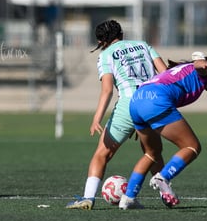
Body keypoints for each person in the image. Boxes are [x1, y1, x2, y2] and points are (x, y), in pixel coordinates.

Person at [66, 19, 168, 210]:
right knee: (152, 153)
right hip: (152, 101)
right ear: (121, 34)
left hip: (129, 104)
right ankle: (166, 194)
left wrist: (97, 118)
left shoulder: (105, 55)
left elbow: (107, 90)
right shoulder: (143, 45)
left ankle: (88, 198)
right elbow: (164, 74)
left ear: (101, 42)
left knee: (102, 154)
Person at [119, 52, 207, 209]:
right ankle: (163, 178)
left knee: (152, 153)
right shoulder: (206, 72)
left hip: (137, 100)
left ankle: (128, 197)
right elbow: (198, 65)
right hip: (155, 100)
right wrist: (202, 63)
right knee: (192, 147)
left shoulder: (183, 69)